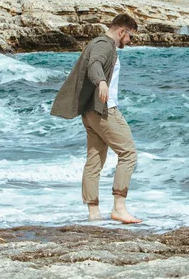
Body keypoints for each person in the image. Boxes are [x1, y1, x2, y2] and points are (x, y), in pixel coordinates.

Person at [51, 14, 142, 223]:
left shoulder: (96, 42)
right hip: (104, 110)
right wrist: (101, 81)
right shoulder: (105, 45)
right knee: (128, 154)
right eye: (130, 37)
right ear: (122, 32)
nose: (130, 42)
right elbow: (95, 65)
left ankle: (94, 214)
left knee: (94, 161)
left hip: (90, 111)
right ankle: (119, 207)